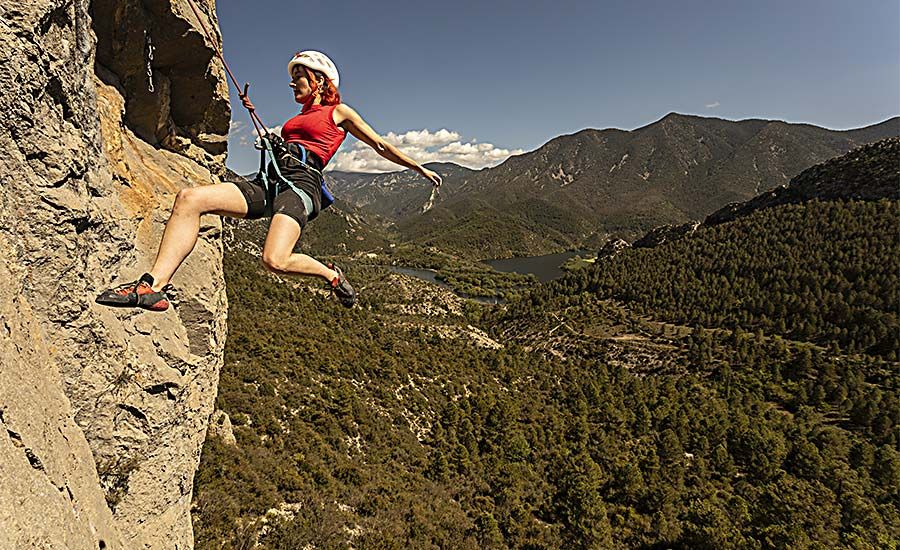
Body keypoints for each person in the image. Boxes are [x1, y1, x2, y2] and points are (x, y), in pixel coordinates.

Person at [96, 50, 442, 311]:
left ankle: (330, 275)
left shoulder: (339, 112)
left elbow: (379, 144)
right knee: (190, 199)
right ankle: (152, 287)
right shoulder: (298, 118)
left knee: (274, 260)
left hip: (300, 186)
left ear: (319, 81)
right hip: (270, 180)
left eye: (299, 77)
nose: (293, 83)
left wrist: (418, 168)